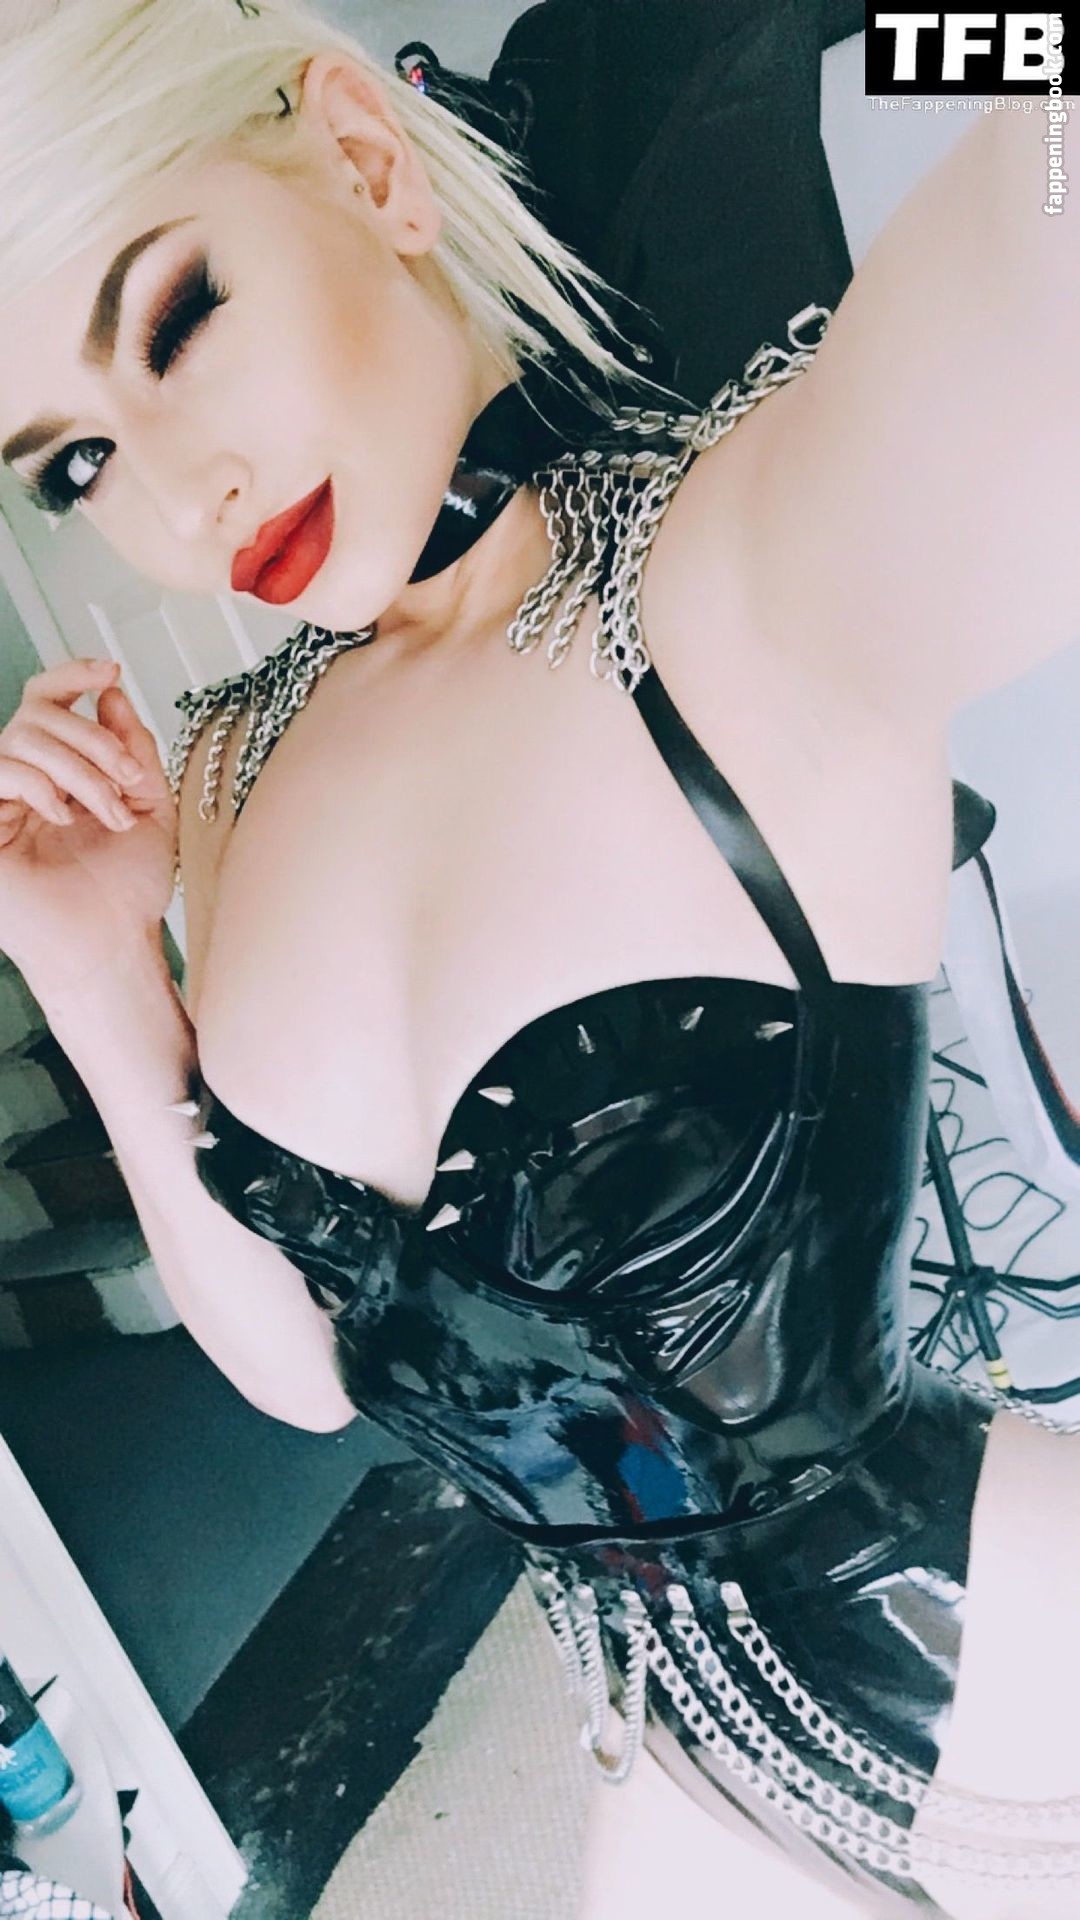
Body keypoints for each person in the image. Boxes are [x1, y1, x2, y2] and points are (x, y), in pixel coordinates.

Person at [0, 3, 1075, 1916]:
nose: (175, 496)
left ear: (364, 155)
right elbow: (313, 1377)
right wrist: (89, 972)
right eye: (74, 466)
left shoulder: (740, 569)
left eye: (175, 322)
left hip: (1026, 1709)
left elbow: (1044, 186)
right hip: (666, 1755)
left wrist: (922, 36)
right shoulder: (231, 776)